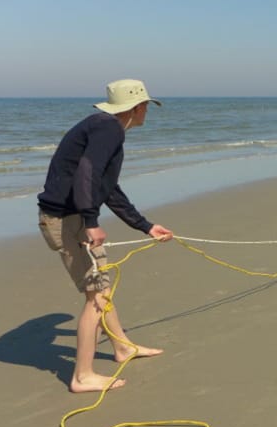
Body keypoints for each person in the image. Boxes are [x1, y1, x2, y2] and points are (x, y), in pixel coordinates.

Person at [37, 79, 174, 393]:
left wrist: (144, 225)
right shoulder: (109, 129)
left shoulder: (104, 128)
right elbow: (88, 171)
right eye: (145, 106)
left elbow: (107, 187)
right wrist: (90, 220)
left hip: (71, 217)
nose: (147, 112)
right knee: (96, 297)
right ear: (136, 107)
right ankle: (82, 376)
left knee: (103, 288)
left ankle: (122, 348)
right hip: (67, 220)